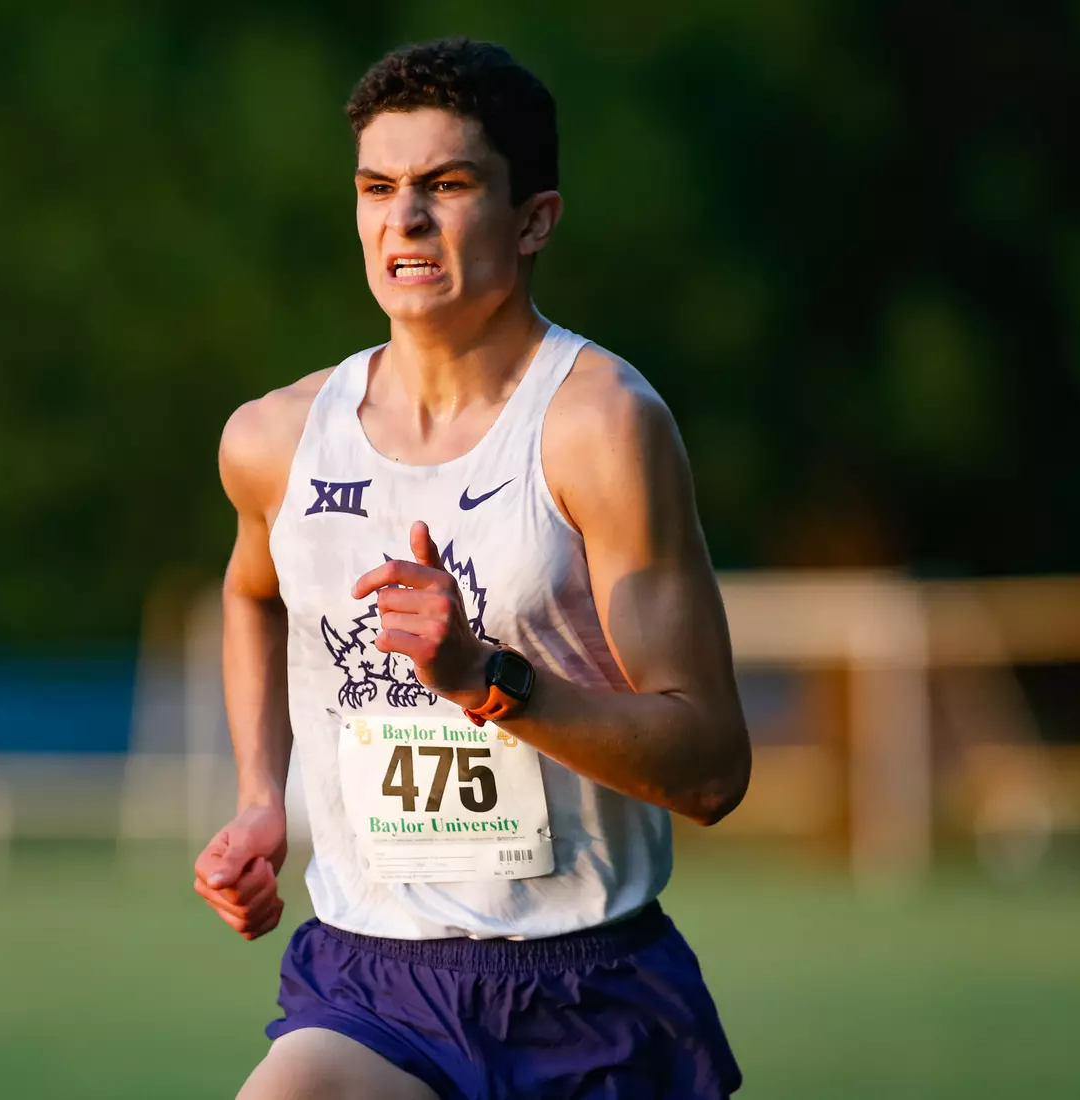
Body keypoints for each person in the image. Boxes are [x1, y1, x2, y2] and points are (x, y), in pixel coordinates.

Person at [193, 37, 751, 1100]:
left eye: (445, 186)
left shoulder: (602, 429)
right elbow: (253, 590)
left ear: (534, 217)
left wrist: (488, 677)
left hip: (588, 986)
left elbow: (713, 766)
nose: (403, 219)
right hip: (371, 982)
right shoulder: (275, 439)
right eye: (377, 187)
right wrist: (267, 793)